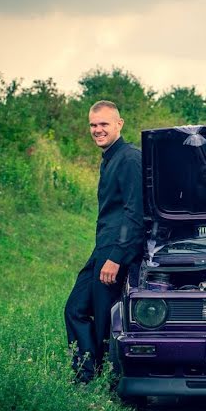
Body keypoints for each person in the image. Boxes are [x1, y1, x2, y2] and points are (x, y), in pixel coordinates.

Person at [64, 100, 144, 383]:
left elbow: (135, 214)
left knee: (103, 318)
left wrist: (116, 257)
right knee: (75, 309)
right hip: (103, 248)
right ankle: (86, 375)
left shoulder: (130, 158)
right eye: (93, 125)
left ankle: (102, 380)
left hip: (115, 251)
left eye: (104, 124)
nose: (97, 130)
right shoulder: (110, 158)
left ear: (119, 124)